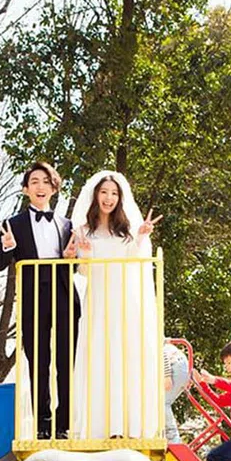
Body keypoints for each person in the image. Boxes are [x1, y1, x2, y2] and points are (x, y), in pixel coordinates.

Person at [71, 171, 162, 439]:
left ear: (120, 198)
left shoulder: (127, 231)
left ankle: (126, 425)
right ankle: (98, 426)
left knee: (124, 356)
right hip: (98, 299)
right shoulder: (83, 231)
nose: (108, 198)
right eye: (104, 192)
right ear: (95, 195)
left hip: (125, 300)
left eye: (114, 193)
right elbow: (83, 273)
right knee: (98, 354)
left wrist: (141, 236)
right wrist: (85, 254)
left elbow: (134, 263)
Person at [0, 162, 79, 439]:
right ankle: (43, 424)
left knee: (66, 360)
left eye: (46, 182)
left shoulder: (66, 224)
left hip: (64, 295)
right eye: (34, 182)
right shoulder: (13, 224)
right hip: (33, 297)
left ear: (54, 188)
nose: (40, 187)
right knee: (38, 360)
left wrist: (70, 258)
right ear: (25, 189)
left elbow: (73, 266)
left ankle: (63, 424)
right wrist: (8, 246)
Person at [164, 341, 190, 444]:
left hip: (174, 365)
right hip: (180, 364)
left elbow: (160, 351)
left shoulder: (147, 338)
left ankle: (173, 439)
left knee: (162, 403)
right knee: (163, 402)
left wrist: (166, 375)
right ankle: (170, 436)